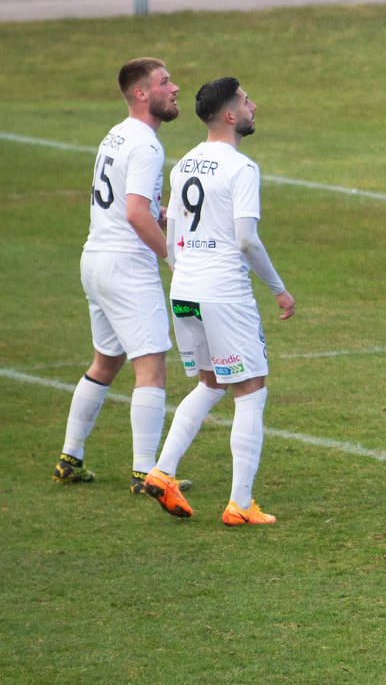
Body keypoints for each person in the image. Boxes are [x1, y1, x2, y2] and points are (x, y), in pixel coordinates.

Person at [138, 78, 296, 524]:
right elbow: (246, 240)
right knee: (251, 392)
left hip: (184, 289)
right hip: (224, 293)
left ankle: (163, 472)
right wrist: (278, 288)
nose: (254, 106)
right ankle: (240, 505)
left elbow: (169, 225)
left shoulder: (184, 161)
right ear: (229, 115)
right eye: (246, 101)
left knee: (210, 382)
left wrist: (181, 271)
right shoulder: (241, 168)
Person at [55, 58, 181, 492]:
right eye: (165, 83)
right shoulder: (146, 144)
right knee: (152, 367)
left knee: (106, 361)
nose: (175, 88)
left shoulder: (117, 133)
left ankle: (70, 457)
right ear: (142, 93)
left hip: (96, 260)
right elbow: (133, 213)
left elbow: (131, 203)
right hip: (126, 265)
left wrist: (162, 212)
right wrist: (172, 259)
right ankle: (146, 472)